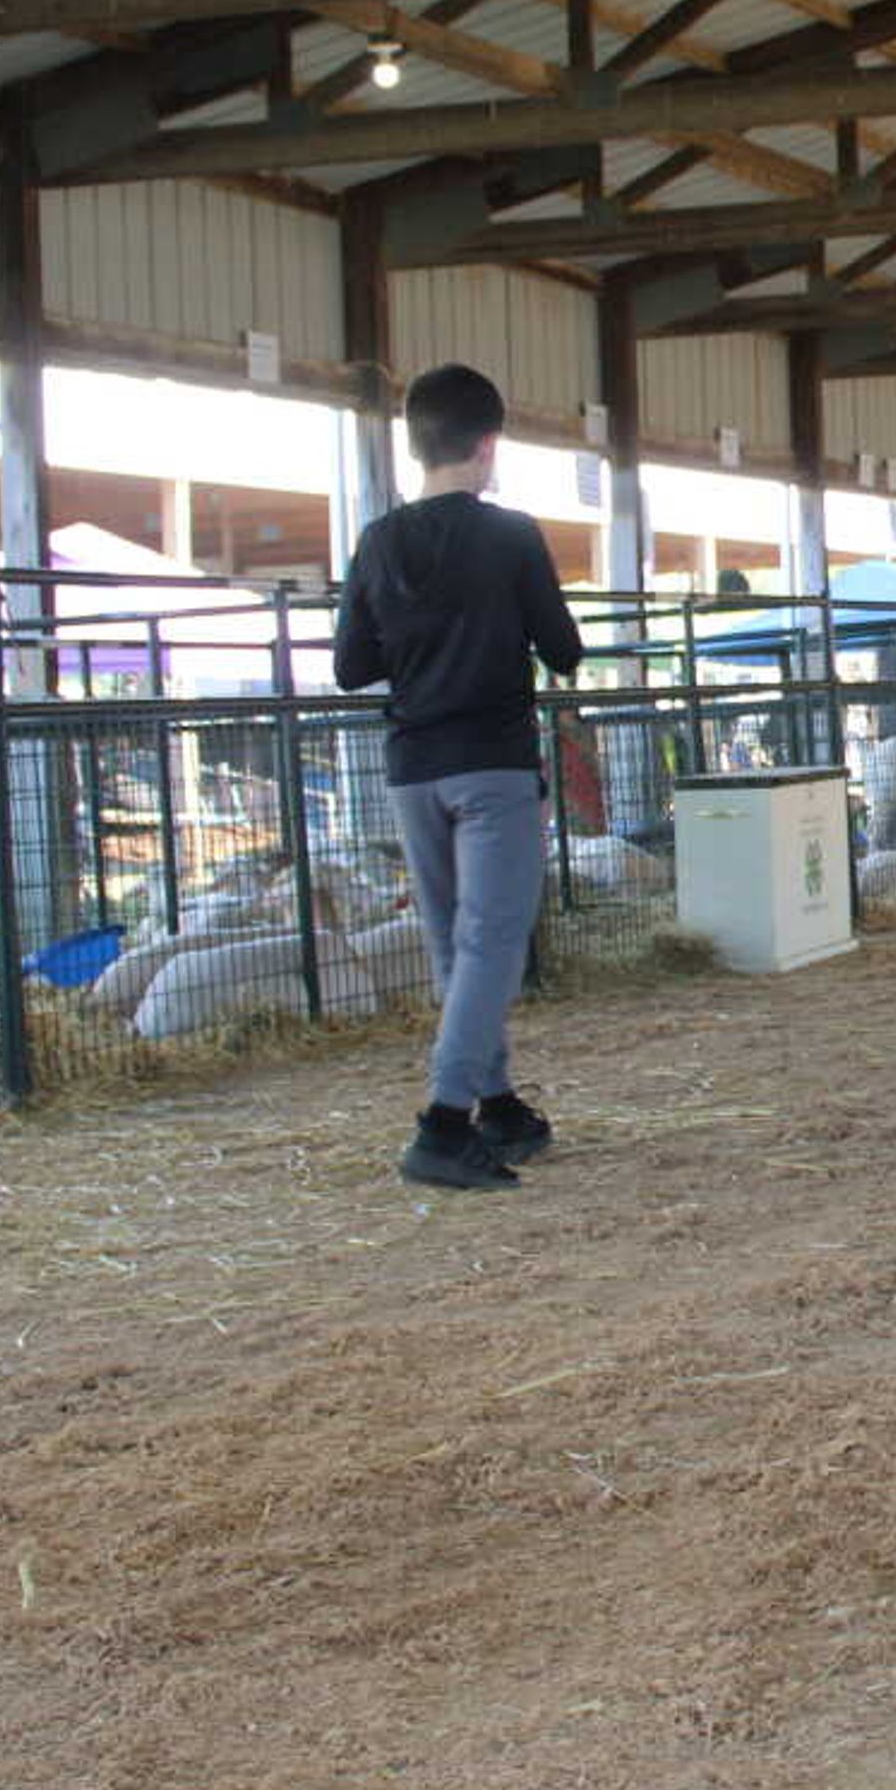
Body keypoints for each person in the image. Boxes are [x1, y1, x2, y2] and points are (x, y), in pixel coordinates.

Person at [330, 364, 585, 1192]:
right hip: (493, 762)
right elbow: (563, 647)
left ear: (416, 443)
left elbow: (350, 664)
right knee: (491, 942)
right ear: (488, 445)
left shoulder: (378, 540)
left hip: (412, 767)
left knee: (454, 944)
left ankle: (498, 1103)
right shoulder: (509, 534)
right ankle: (443, 1122)